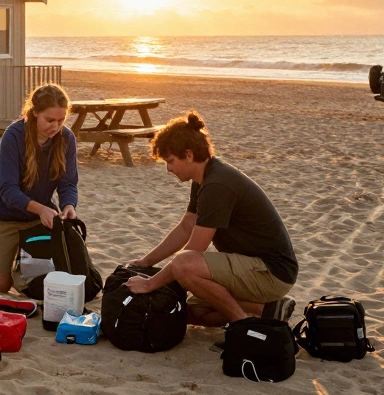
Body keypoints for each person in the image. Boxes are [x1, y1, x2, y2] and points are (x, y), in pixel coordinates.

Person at [124, 111, 298, 328]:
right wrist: (146, 261)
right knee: (192, 313)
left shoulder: (217, 185)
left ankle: (242, 325)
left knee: (185, 265)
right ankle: (267, 309)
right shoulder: (204, 178)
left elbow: (194, 249)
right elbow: (187, 226)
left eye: (170, 161)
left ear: (188, 155)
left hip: (271, 272)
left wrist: (150, 284)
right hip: (251, 267)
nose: (168, 169)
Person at [0, 83, 80, 293]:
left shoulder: (67, 138)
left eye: (61, 120)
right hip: (4, 216)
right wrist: (41, 209)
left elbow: (68, 182)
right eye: (49, 120)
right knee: (0, 286)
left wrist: (68, 205)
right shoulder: (13, 136)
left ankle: (11, 256)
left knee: (32, 286)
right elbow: (7, 190)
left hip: (37, 222)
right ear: (35, 112)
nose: (55, 127)